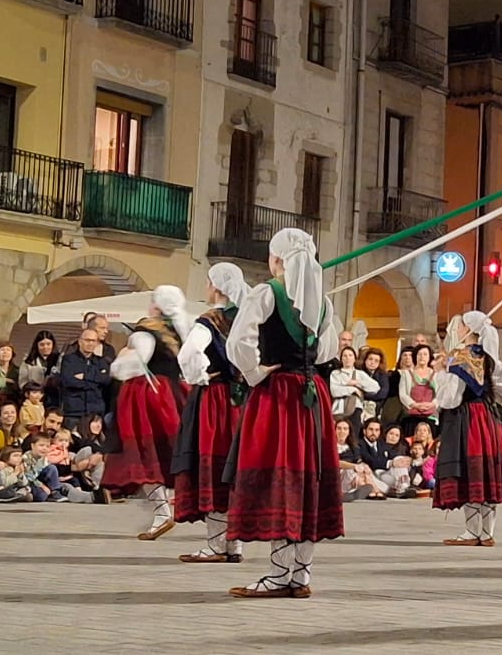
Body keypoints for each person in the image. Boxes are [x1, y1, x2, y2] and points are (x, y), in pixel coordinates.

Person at [225, 228, 345, 599]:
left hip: (277, 397)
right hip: (312, 398)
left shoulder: (267, 293)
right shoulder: (323, 303)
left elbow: (238, 343)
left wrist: (256, 372)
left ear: (277, 260)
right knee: (308, 478)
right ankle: (301, 574)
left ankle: (279, 574)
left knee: (278, 478)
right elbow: (327, 351)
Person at [171, 263, 249, 565]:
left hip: (216, 399)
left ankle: (217, 545)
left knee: (214, 465)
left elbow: (189, 354)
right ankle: (235, 544)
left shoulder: (209, 321)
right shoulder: (247, 317)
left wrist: (200, 376)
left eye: (207, 283)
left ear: (216, 287)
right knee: (235, 468)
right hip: (244, 400)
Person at [108, 286, 191, 540]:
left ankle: (162, 511)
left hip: (148, 395)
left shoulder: (147, 329)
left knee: (144, 453)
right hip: (175, 392)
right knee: (167, 451)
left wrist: (118, 364)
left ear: (156, 304)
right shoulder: (180, 330)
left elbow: (139, 360)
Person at [431, 310, 502, 546]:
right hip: (488, 418)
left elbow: (450, 399)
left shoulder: (460, 359)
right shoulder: (490, 358)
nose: (455, 329)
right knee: (485, 471)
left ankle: (472, 532)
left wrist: (441, 372)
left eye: (459, 326)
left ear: (468, 330)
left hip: (466, 419)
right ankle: (487, 533)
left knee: (470, 472)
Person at [59, 329, 111, 429]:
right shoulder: (69, 360)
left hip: (95, 412)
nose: (90, 343)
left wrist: (85, 376)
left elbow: (106, 380)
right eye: (87, 340)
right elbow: (68, 381)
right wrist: (95, 382)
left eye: (93, 341)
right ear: (80, 341)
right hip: (74, 411)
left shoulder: (102, 361)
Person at [398, 344, 439, 434]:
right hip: (411, 415)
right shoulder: (406, 374)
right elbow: (403, 394)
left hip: (431, 415)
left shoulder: (436, 374)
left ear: (429, 357)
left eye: (425, 354)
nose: (422, 357)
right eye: (419, 354)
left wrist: (432, 404)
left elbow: (440, 393)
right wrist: (415, 405)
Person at [20, 331, 61, 405]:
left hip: (54, 398)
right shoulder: (29, 361)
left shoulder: (59, 360)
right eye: (42, 345)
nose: (45, 347)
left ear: (53, 344)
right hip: (34, 399)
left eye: (48, 344)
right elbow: (22, 382)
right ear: (37, 345)